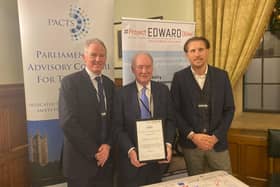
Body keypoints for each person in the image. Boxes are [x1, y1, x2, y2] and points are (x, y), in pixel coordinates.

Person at [170, 36, 235, 176]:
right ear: (187, 54)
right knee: (196, 183)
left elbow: (229, 109)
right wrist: (193, 136)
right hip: (191, 146)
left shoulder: (222, 76)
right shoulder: (179, 78)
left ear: (208, 51)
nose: (197, 54)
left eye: (200, 49)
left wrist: (216, 136)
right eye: (192, 51)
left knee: (225, 182)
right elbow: (174, 111)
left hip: (217, 144)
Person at [113, 52, 176, 187]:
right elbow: (117, 128)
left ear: (152, 68)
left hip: (158, 163)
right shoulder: (121, 94)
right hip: (131, 163)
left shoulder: (163, 90)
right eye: (140, 67)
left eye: (148, 67)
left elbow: (171, 121)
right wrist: (130, 150)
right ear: (133, 69)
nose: (144, 71)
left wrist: (168, 145)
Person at [59, 38, 115, 187]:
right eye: (93, 55)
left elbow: (114, 120)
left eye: (102, 55)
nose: (98, 59)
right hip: (80, 163)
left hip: (105, 163)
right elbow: (68, 122)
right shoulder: (70, 83)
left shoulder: (110, 84)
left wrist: (108, 145)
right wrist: (95, 151)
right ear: (84, 57)